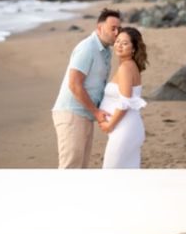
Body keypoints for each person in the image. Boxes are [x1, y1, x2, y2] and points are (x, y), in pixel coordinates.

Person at [52, 9, 121, 168]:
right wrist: (96, 112)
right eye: (113, 28)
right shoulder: (88, 48)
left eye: (119, 28)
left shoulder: (106, 52)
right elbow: (74, 84)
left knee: (81, 169)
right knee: (70, 168)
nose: (117, 33)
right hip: (71, 114)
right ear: (99, 28)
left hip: (86, 115)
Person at [99, 27, 148, 168]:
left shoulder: (126, 68)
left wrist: (110, 125)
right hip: (128, 128)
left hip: (124, 130)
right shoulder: (130, 66)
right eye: (118, 41)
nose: (119, 45)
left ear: (133, 48)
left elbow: (125, 102)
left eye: (125, 43)